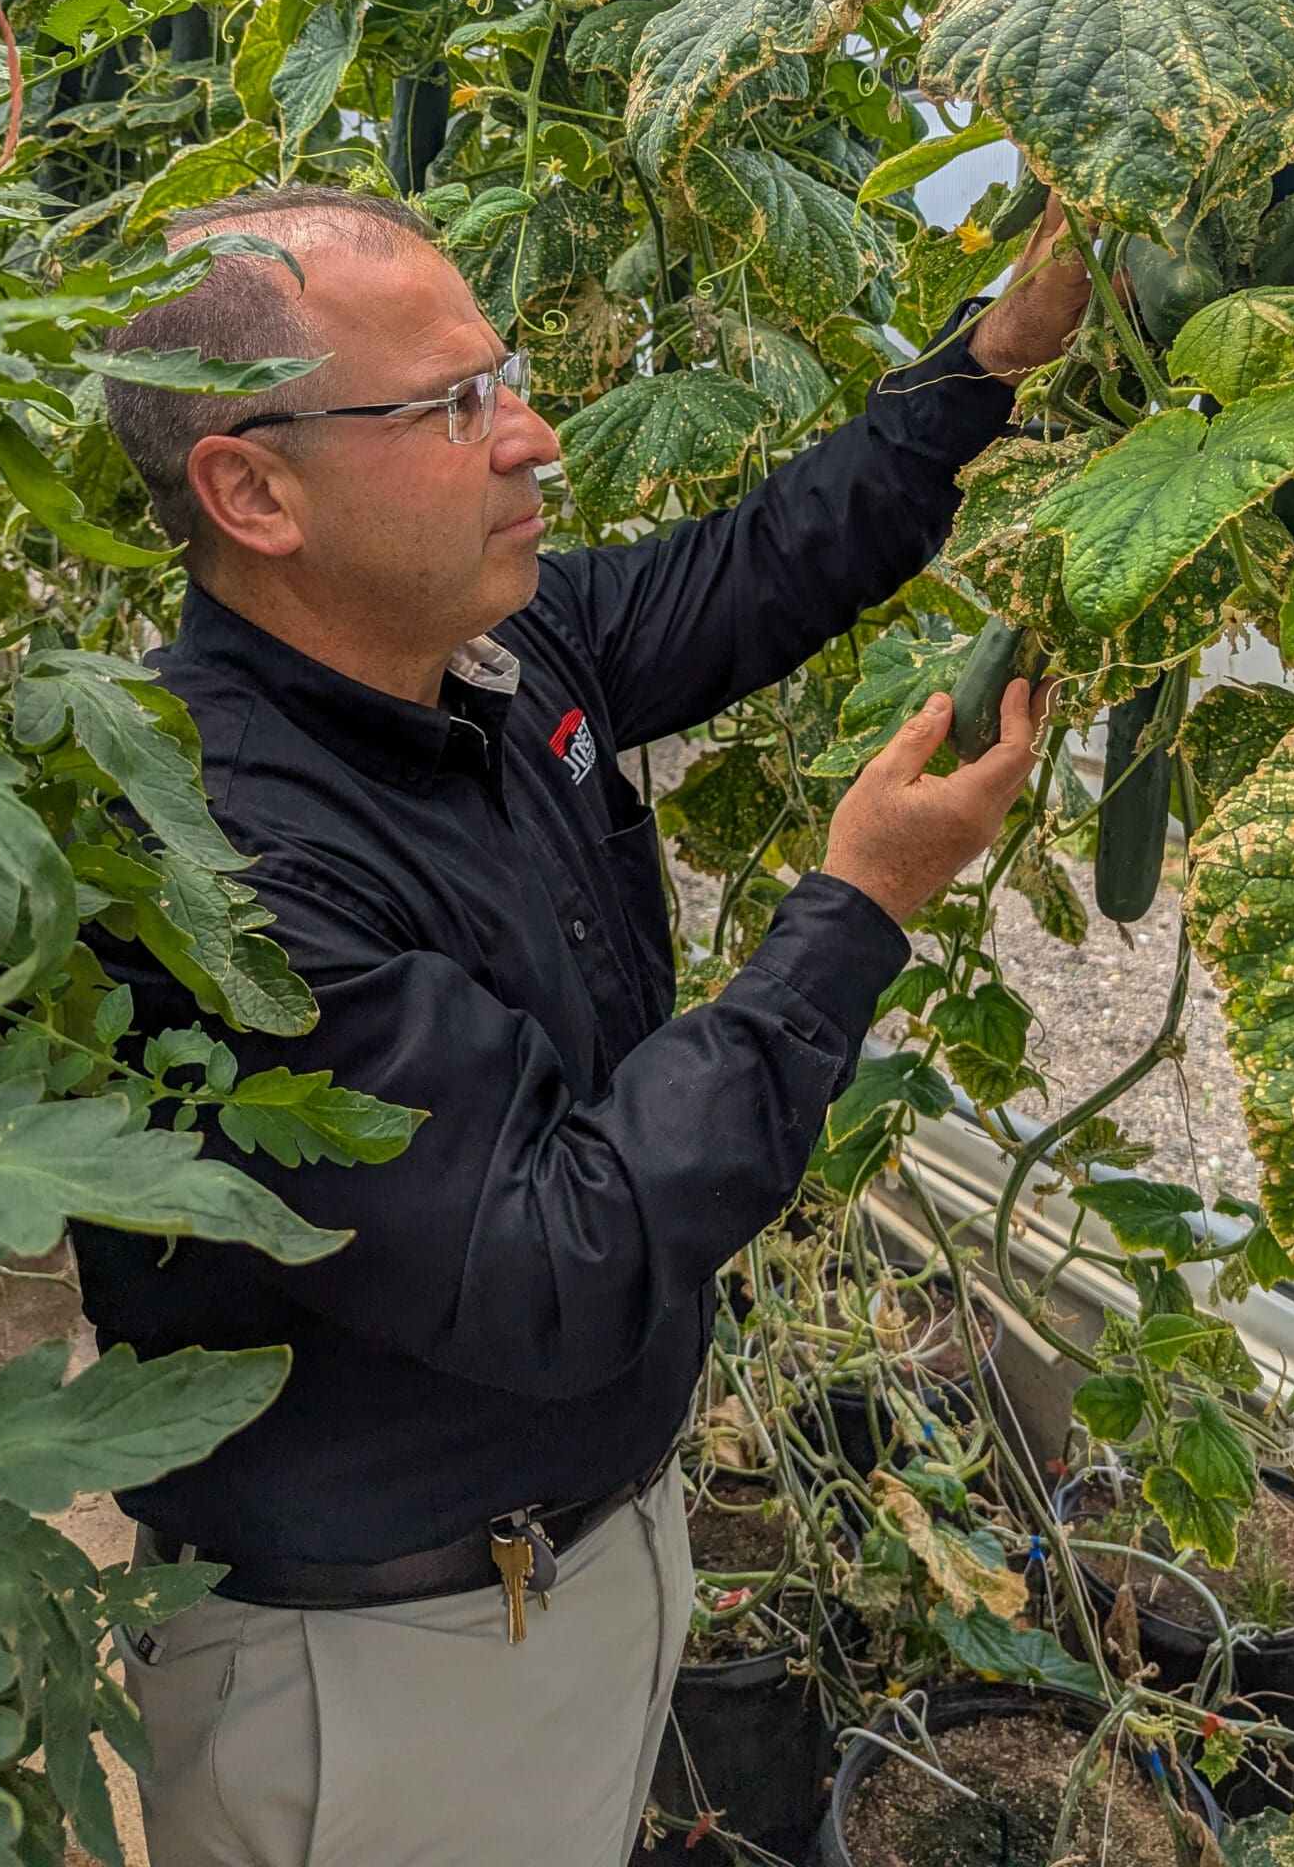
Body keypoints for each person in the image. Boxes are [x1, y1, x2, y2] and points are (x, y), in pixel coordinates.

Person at [73, 179, 1097, 1867]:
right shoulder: (210, 868)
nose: (532, 437)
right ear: (252, 490)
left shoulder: (486, 641)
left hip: (576, 1561)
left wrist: (988, 359)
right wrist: (857, 914)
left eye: (507, 374)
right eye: (455, 405)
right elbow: (557, 1258)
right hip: (382, 1670)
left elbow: (757, 568)